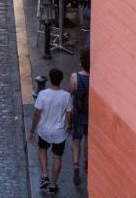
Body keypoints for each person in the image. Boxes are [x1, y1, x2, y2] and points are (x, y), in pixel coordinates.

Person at [30, 67, 73, 193]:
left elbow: (37, 114)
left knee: (42, 149)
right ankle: (53, 184)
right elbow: (69, 114)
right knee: (57, 157)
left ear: (49, 80)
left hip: (44, 130)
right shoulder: (66, 96)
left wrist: (32, 130)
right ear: (61, 80)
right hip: (59, 133)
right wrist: (69, 127)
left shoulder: (43, 94)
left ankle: (44, 175)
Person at [68, 49, 91, 187]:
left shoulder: (75, 77)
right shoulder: (96, 77)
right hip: (90, 115)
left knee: (76, 141)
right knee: (88, 140)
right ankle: (87, 164)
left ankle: (76, 165)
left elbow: (68, 93)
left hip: (77, 115)